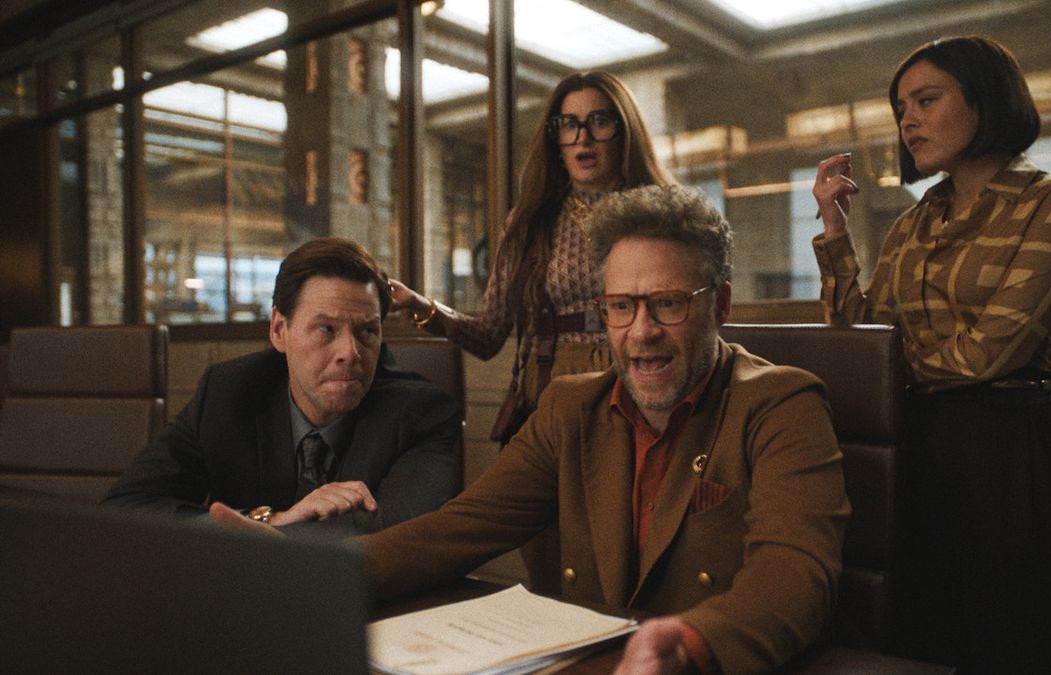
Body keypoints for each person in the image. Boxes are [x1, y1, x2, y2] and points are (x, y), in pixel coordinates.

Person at [213, 185, 849, 674]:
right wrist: (297, 576)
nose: (641, 332)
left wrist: (690, 641)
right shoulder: (571, 407)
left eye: (669, 303)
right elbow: (455, 531)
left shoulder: (781, 403)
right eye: (620, 307)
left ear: (723, 305)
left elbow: (794, 577)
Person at [811, 36, 1051, 672]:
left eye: (927, 99)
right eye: (901, 107)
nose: (907, 119)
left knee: (1018, 636)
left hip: (1010, 444)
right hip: (916, 444)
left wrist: (890, 377)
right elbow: (861, 340)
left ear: (985, 98)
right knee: (922, 635)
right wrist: (834, 229)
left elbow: (990, 353)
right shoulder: (914, 220)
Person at [389, 70, 675, 591]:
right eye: (568, 124)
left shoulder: (661, 210)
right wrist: (422, 308)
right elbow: (489, 334)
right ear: (554, 137)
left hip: (642, 397)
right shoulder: (532, 222)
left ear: (624, 129)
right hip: (548, 402)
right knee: (546, 558)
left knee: (635, 558)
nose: (582, 137)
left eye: (598, 122)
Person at [103, 238, 461, 537]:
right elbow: (127, 508)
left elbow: (397, 537)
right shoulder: (228, 392)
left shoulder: (422, 413)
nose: (350, 353)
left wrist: (257, 535)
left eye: (367, 331)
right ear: (278, 330)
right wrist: (272, 518)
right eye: (326, 329)